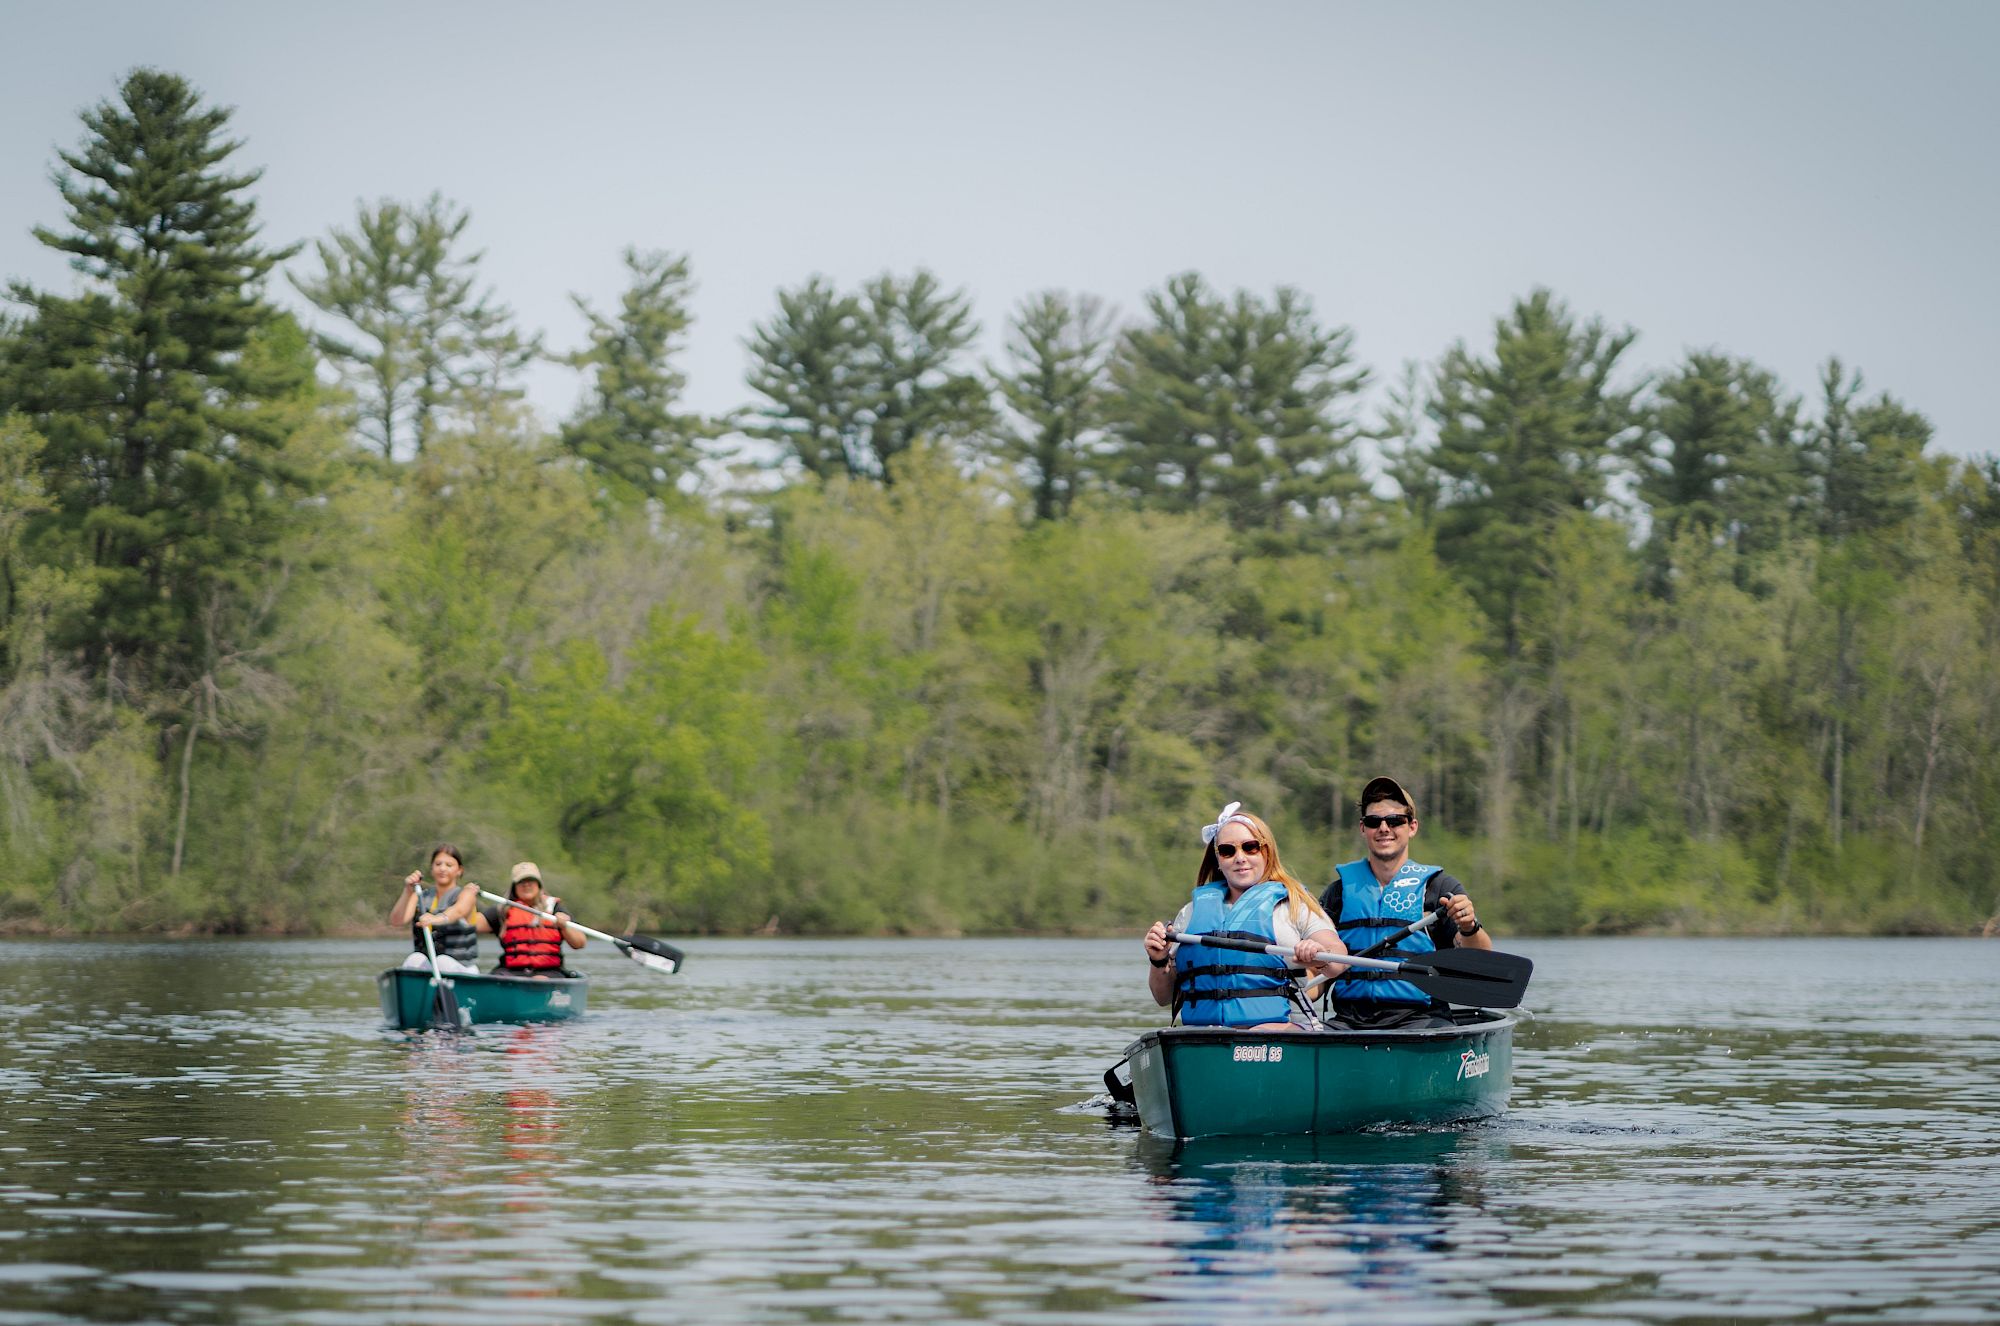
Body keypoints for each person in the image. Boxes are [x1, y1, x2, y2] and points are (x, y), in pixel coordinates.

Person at [1300, 776, 1493, 1028]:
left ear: (1412, 827)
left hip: (1422, 1020)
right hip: (1349, 1022)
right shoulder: (1338, 894)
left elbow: (1481, 963)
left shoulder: (1440, 889)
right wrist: (1298, 985)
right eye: (1373, 822)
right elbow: (1318, 978)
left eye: (1394, 821)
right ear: (1362, 828)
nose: (1384, 828)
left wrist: (1469, 926)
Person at [1143, 802, 1348, 1031]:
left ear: (1266, 852)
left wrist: (1319, 957)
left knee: (1258, 1034)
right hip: (1206, 1037)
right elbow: (1163, 997)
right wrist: (1158, 959)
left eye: (1250, 847)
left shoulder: (1294, 904)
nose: (1240, 858)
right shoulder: (1190, 913)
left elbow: (1338, 958)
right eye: (1228, 851)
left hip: (1283, 1033)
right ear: (1218, 860)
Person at [481, 862, 586, 977]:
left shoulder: (555, 908)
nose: (526, 885)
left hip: (548, 971)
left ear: (538, 884)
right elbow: (471, 923)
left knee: (539, 980)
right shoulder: (503, 910)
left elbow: (579, 943)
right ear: (514, 887)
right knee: (500, 980)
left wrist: (564, 927)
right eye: (521, 882)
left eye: (531, 881)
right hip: (511, 971)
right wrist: (468, 898)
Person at [389, 843, 481, 974]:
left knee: (442, 961)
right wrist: (408, 891)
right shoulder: (420, 896)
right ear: (432, 868)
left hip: (461, 968)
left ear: (459, 870)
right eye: (438, 864)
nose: (442, 868)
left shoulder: (467, 894)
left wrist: (436, 919)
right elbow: (396, 921)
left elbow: (458, 911)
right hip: (431, 970)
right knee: (414, 959)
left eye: (449, 865)